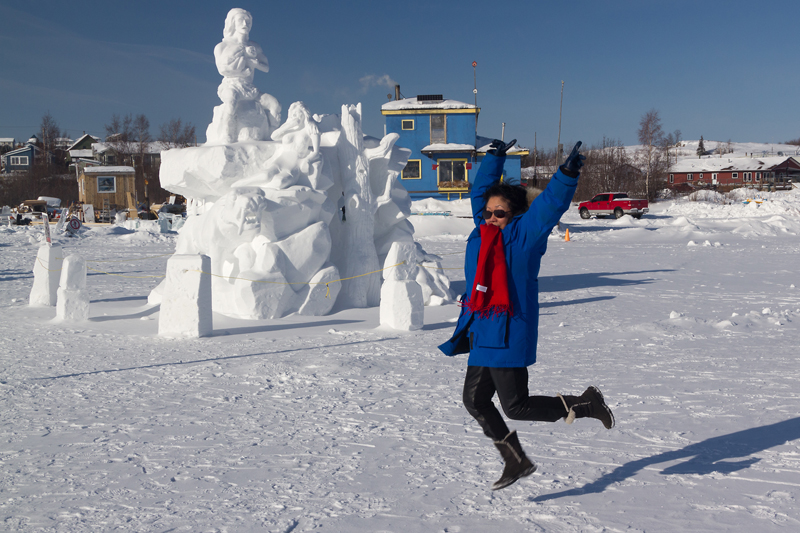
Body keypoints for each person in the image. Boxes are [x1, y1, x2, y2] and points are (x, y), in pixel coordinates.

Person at [439, 140, 614, 491]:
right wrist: (494, 158)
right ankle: (515, 460)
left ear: (514, 214)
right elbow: (479, 194)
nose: (490, 217)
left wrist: (567, 175)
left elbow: (550, 206)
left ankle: (583, 404)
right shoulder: (483, 232)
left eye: (498, 213)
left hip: (508, 333)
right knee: (474, 400)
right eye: (488, 212)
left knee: (515, 407)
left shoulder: (525, 236)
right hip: (482, 331)